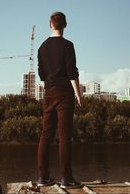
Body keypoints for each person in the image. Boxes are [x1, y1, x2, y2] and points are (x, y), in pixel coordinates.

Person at [36, 11, 83, 189]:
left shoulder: (41, 47)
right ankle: (66, 178)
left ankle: (42, 177)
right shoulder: (68, 45)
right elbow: (72, 73)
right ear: (65, 25)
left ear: (50, 24)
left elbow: (41, 74)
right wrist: (79, 95)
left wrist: (49, 85)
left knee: (46, 135)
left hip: (48, 93)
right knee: (64, 136)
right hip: (64, 94)